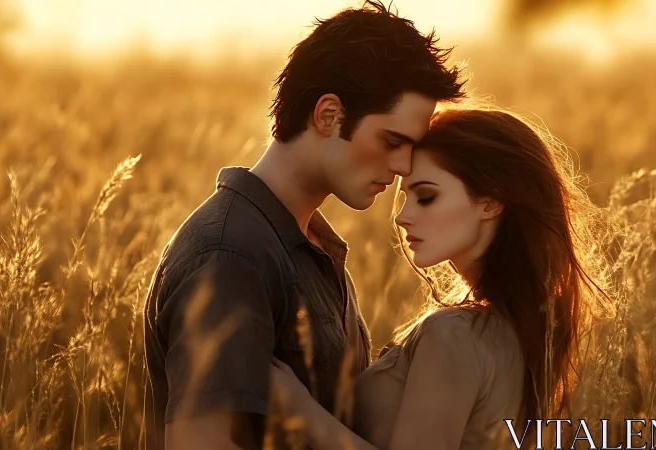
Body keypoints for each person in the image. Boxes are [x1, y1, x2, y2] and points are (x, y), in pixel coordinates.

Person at [142, 2, 465, 449]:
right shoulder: (230, 255)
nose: (403, 166)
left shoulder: (308, 243)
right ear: (328, 115)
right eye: (392, 141)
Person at [271, 108, 613, 449]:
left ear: (490, 203)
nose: (402, 217)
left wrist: (300, 409)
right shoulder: (525, 331)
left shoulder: (451, 333)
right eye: (405, 198)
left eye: (427, 197)